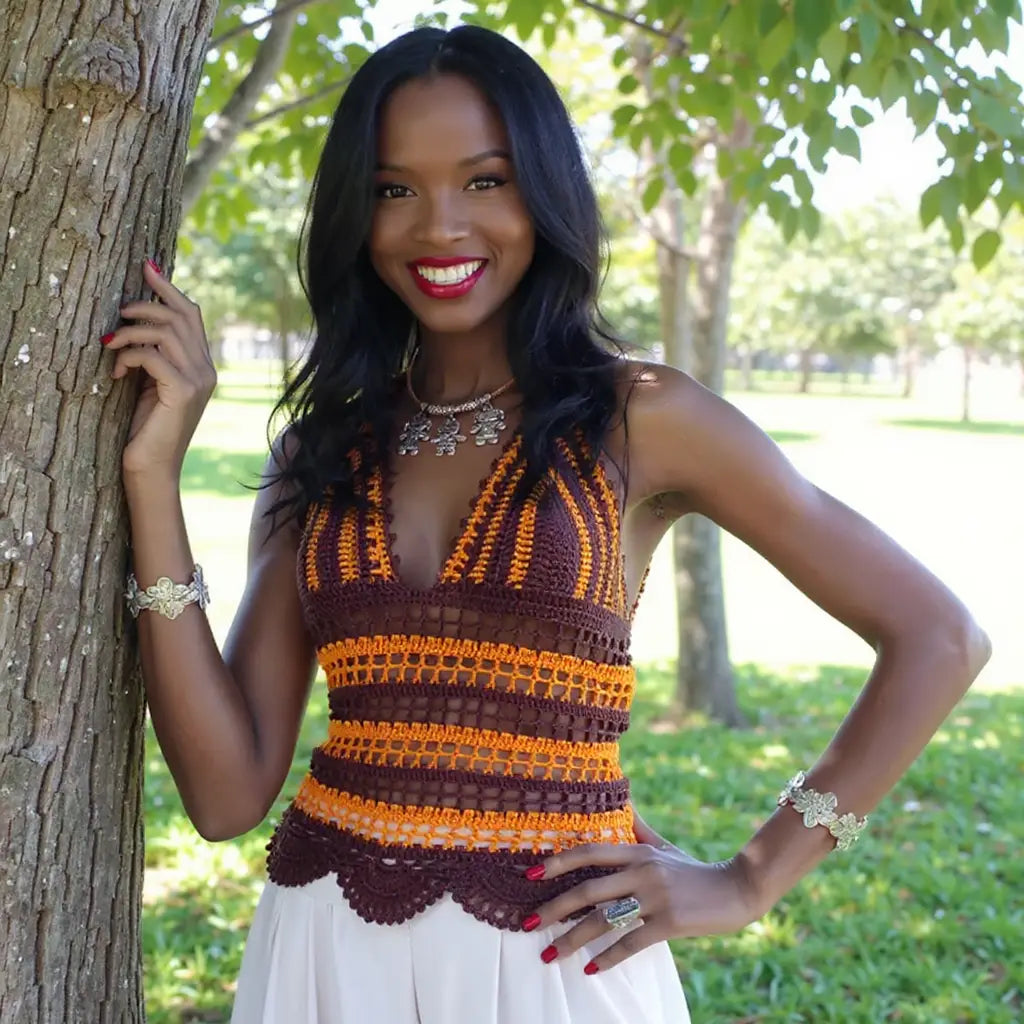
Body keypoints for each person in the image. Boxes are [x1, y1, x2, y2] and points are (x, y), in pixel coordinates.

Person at [105, 23, 990, 1024]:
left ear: (545, 193)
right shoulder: (321, 453)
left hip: (556, 965)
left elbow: (938, 634)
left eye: (485, 180)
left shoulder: (642, 416)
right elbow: (225, 797)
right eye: (395, 189)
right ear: (356, 213)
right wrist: (153, 471)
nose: (438, 225)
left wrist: (750, 879)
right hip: (324, 954)